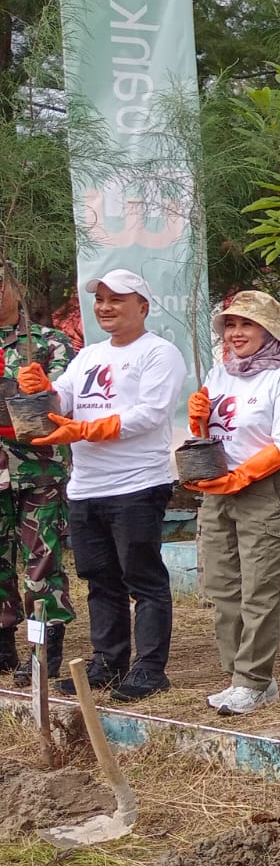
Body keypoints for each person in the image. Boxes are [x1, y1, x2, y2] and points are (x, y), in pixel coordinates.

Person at [18, 269, 185, 700]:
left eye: (117, 300)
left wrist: (85, 431)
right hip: (87, 486)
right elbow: (64, 403)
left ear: (142, 307)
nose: (106, 307)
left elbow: (149, 414)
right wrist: (44, 391)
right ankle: (107, 663)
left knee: (142, 577)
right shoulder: (89, 355)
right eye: (101, 300)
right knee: (100, 580)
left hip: (136, 484)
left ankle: (150, 668)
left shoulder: (159, 353)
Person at [185, 291, 280, 716]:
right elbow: (212, 435)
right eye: (230, 326)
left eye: (247, 325)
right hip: (217, 493)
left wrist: (242, 476)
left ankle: (251, 680)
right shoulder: (220, 374)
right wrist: (197, 419)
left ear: (268, 331)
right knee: (222, 587)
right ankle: (241, 675)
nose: (236, 333)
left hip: (264, 491)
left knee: (260, 589)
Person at [0, 269, 78, 686]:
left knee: (42, 556)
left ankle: (42, 650)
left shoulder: (47, 342)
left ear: (15, 285)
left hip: (38, 466)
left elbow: (63, 396)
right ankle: (3, 646)